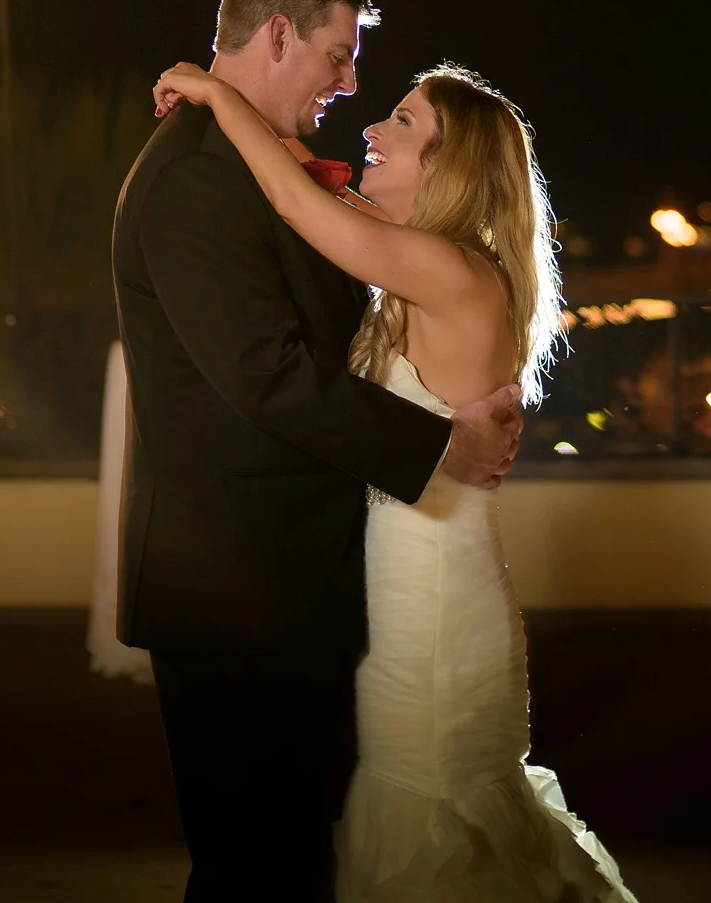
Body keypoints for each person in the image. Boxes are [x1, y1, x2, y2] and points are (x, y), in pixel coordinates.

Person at [152, 56, 636, 902]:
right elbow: (321, 191)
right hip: (405, 583)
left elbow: (297, 202)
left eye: (402, 123)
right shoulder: (422, 265)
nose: (371, 129)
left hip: (435, 600)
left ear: (451, 169)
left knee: (434, 822)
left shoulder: (452, 272)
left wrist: (218, 93)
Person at [111, 0, 526, 902]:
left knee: (299, 859)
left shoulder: (257, 166)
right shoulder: (199, 176)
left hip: (299, 583)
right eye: (339, 55)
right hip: (240, 587)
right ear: (279, 33)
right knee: (259, 867)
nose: (352, 83)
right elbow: (266, 378)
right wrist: (442, 444)